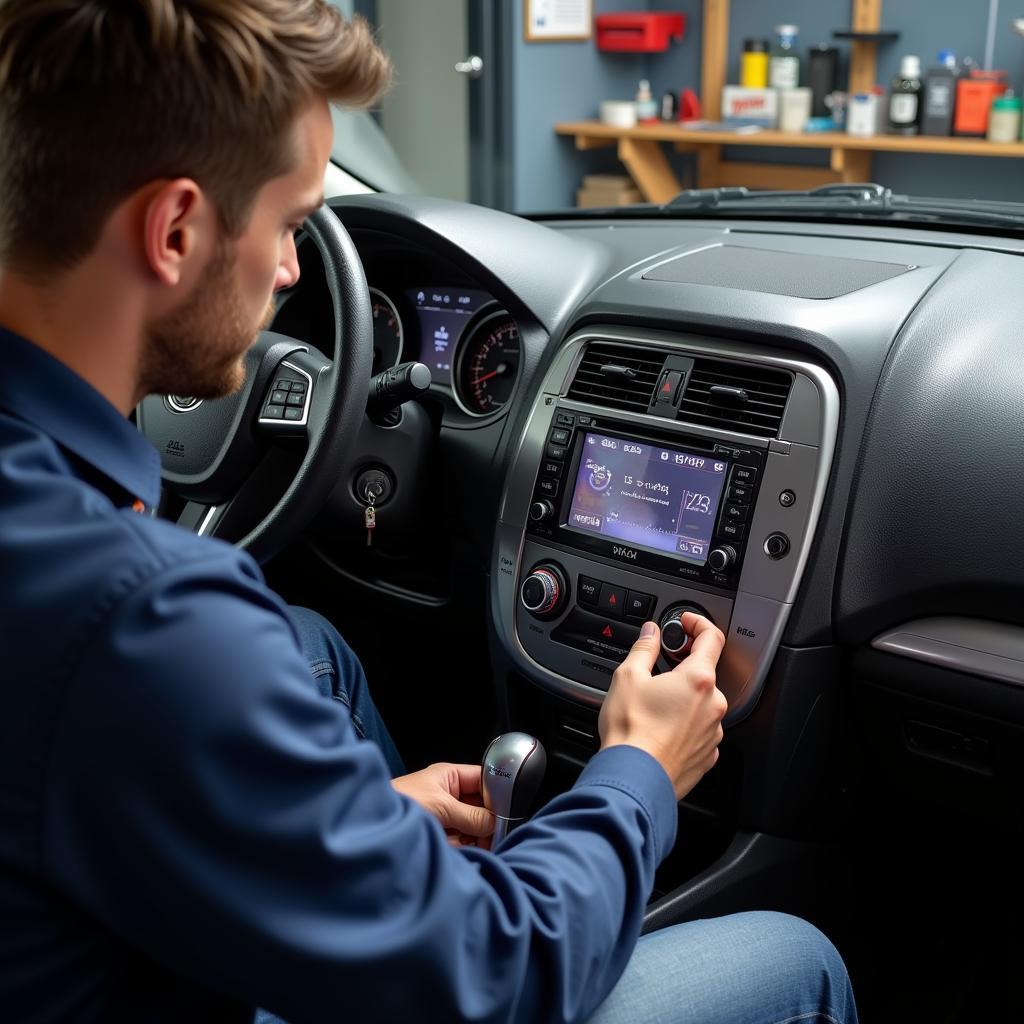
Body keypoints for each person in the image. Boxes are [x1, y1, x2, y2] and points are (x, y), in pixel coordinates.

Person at [0, 2, 858, 1022]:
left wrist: (322, 831)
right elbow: (501, 971)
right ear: (175, 228)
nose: (289, 271)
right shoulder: (146, 621)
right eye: (287, 225)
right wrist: (637, 772)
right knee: (797, 958)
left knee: (314, 646)